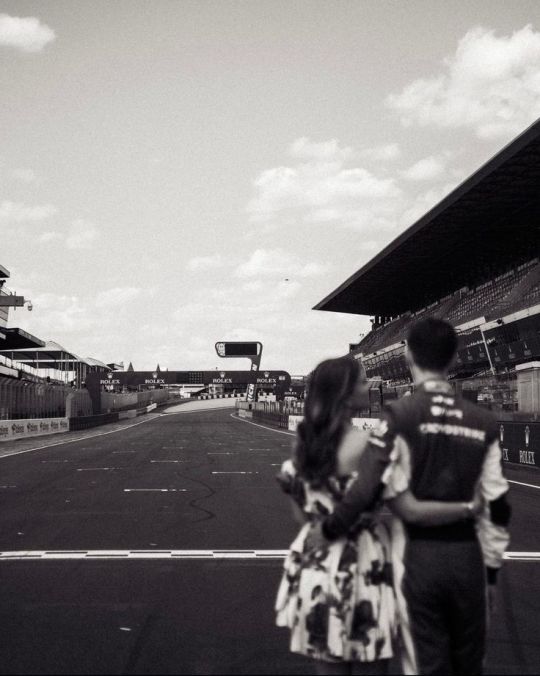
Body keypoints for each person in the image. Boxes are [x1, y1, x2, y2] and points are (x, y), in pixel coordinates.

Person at [306, 318, 511, 675]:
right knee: (469, 666)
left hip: (418, 558)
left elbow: (366, 488)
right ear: (454, 358)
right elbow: (498, 504)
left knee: (425, 664)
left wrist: (328, 529)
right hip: (470, 558)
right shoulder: (485, 421)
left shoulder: (399, 415)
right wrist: (490, 573)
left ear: (408, 357)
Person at [276, 355, 481, 676]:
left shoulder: (303, 445)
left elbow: (302, 518)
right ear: (344, 394)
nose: (370, 385)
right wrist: (467, 507)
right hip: (363, 567)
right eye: (362, 381)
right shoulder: (370, 446)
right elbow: (410, 510)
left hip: (315, 567)